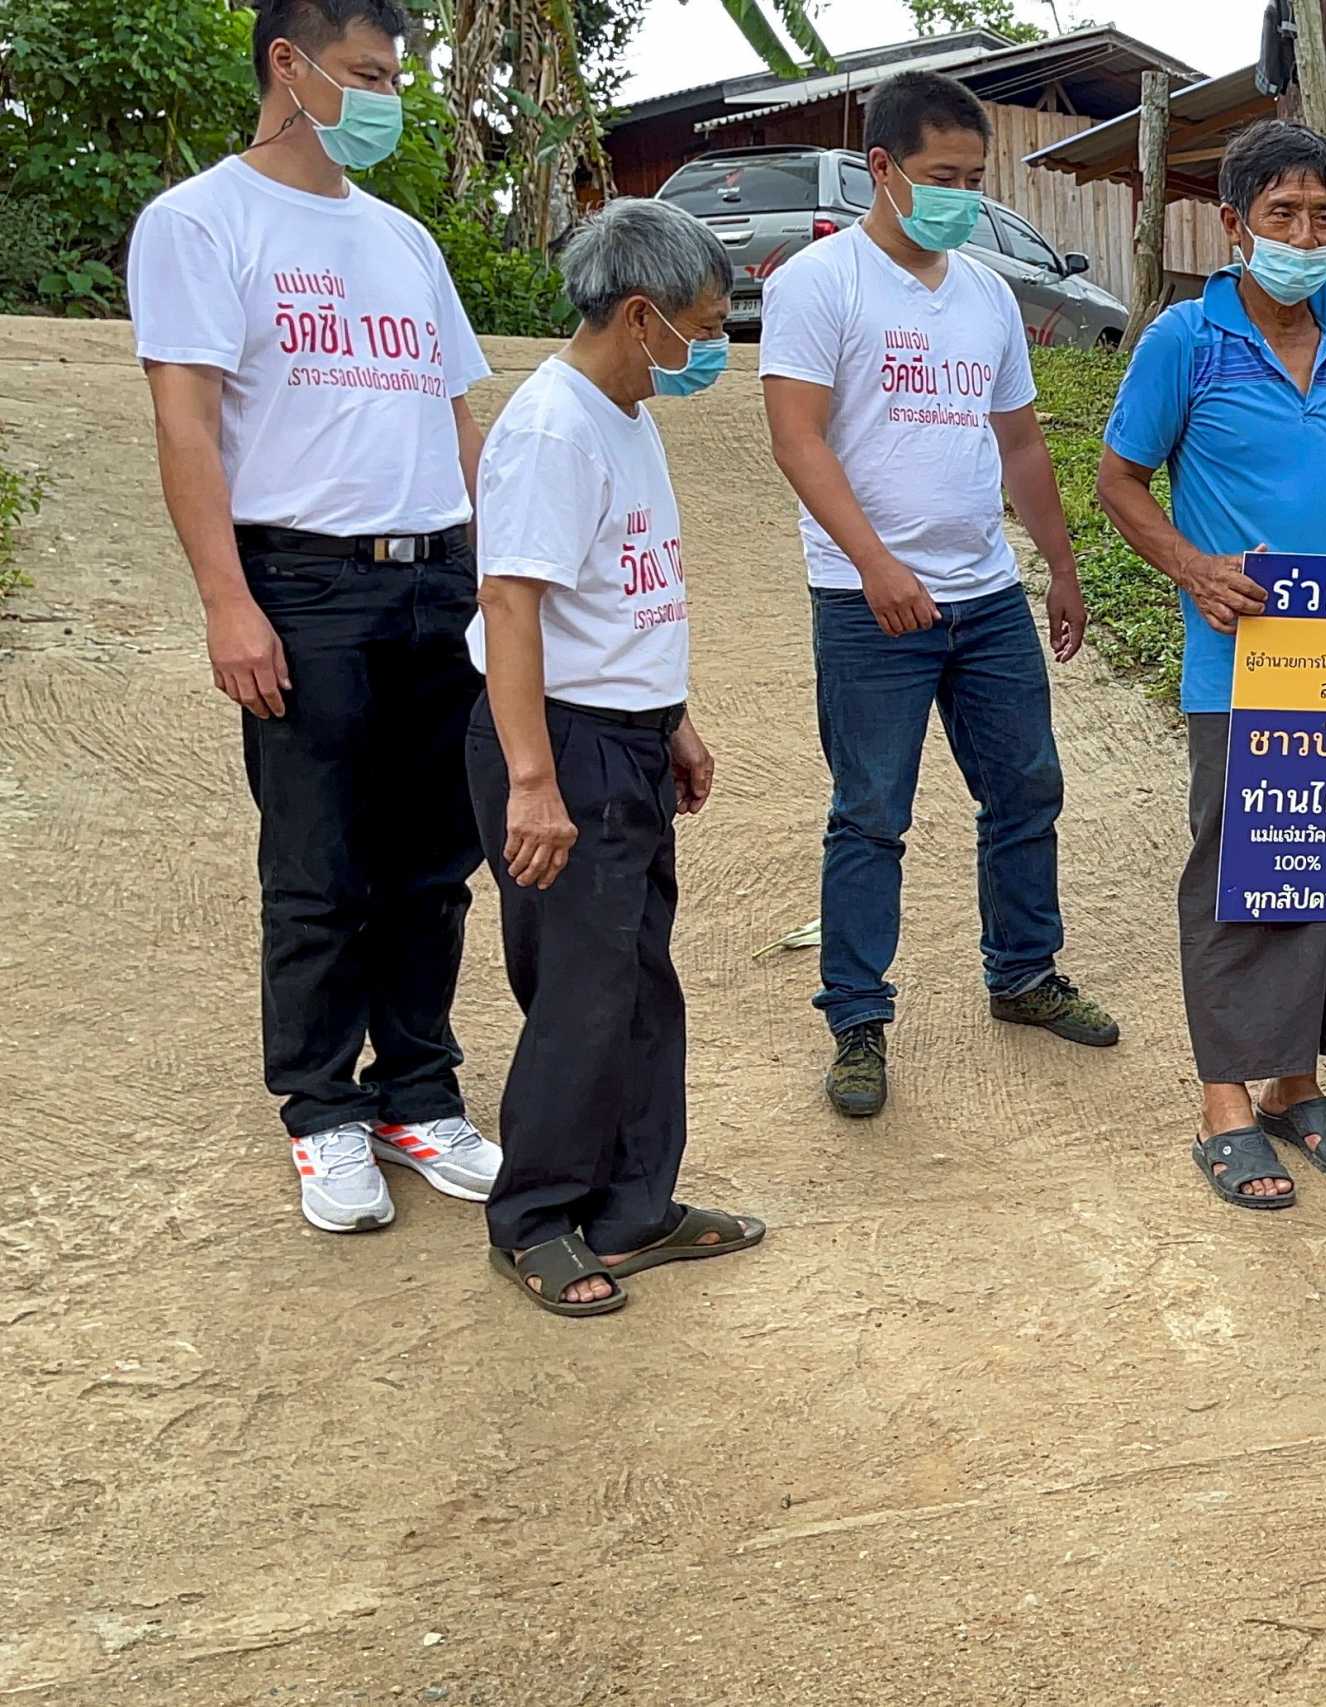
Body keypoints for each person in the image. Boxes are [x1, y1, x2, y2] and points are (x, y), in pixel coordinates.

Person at [131, 0, 502, 1234]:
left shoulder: (403, 242)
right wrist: (228, 604)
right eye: (366, 72)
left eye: (396, 74)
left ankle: (418, 1094)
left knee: (434, 863)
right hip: (303, 584)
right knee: (318, 869)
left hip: (436, 577)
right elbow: (185, 426)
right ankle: (322, 1113)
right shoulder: (199, 224)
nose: (388, 95)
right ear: (288, 65)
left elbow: (459, 415)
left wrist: (493, 583)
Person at [1096, 120, 1326, 1211]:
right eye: (1281, 216)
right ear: (1233, 225)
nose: (1304, 235)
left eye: (1321, 217)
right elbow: (1119, 481)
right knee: (1233, 877)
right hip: (1237, 662)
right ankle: (1224, 1101)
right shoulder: (1186, 342)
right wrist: (1194, 568)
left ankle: (1295, 1087)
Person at [760, 70, 1119, 1123]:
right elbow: (796, 437)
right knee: (870, 814)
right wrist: (876, 564)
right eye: (941, 176)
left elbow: (1017, 440)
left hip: (984, 594)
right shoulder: (820, 284)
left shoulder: (986, 294)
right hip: (866, 602)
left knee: (1026, 789)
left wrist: (1057, 562)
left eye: (973, 177)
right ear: (883, 168)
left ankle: (1023, 973)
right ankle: (858, 1021)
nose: (960, 195)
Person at [463, 199, 764, 1316]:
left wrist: (670, 720)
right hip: (563, 744)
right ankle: (536, 1220)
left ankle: (634, 1207)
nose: (711, 345)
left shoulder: (627, 413)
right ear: (640, 317)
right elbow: (510, 605)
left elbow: (628, 594)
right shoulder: (552, 430)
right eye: (702, 323)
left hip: (625, 737)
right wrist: (532, 781)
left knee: (639, 983)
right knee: (579, 993)